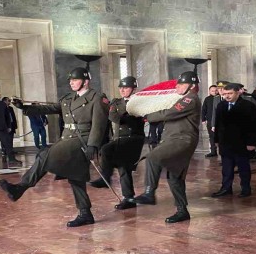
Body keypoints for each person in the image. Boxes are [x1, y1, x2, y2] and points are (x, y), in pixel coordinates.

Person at [0, 67, 108, 227]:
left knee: (44, 155)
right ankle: (85, 214)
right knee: (75, 176)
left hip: (82, 141)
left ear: (85, 82)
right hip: (67, 139)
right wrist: (24, 107)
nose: (71, 83)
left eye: (75, 80)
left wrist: (93, 145)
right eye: (70, 80)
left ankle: (20, 188)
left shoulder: (97, 98)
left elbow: (99, 125)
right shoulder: (69, 98)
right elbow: (49, 108)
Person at [133, 71, 201, 224]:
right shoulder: (183, 98)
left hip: (182, 140)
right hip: (174, 139)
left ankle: (149, 193)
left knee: (153, 157)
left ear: (192, 86)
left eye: (181, 84)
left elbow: (169, 113)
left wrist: (147, 116)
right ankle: (182, 211)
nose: (177, 87)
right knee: (174, 176)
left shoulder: (190, 99)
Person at [90, 76, 145, 210]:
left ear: (133, 89)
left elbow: (140, 119)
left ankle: (106, 177)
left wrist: (127, 117)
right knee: (123, 167)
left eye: (126, 87)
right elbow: (113, 116)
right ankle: (129, 199)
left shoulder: (141, 102)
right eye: (121, 88)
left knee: (106, 150)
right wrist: (128, 117)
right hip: (120, 139)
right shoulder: (116, 102)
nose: (122, 90)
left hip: (134, 139)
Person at [211, 83, 256, 198]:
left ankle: (246, 189)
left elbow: (253, 125)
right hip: (225, 142)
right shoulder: (221, 105)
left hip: (241, 142)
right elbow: (218, 123)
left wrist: (251, 143)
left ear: (237, 93)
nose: (227, 96)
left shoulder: (247, 105)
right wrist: (216, 140)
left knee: (243, 167)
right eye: (225, 93)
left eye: (230, 93)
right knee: (226, 168)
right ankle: (226, 188)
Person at [201, 85, 219, 157]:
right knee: (211, 136)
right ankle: (213, 151)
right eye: (212, 91)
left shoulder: (220, 98)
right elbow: (204, 109)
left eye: (216, 90)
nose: (214, 92)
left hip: (219, 120)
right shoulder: (207, 99)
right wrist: (203, 119)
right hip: (210, 120)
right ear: (209, 91)